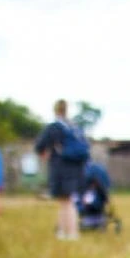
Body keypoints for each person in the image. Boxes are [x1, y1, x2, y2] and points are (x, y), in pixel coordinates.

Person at [35, 99, 88, 240]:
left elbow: (39, 146)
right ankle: (66, 232)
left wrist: (46, 155)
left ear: (55, 110)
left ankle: (69, 233)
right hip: (76, 169)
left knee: (65, 202)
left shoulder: (54, 127)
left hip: (60, 169)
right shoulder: (73, 127)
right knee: (69, 201)